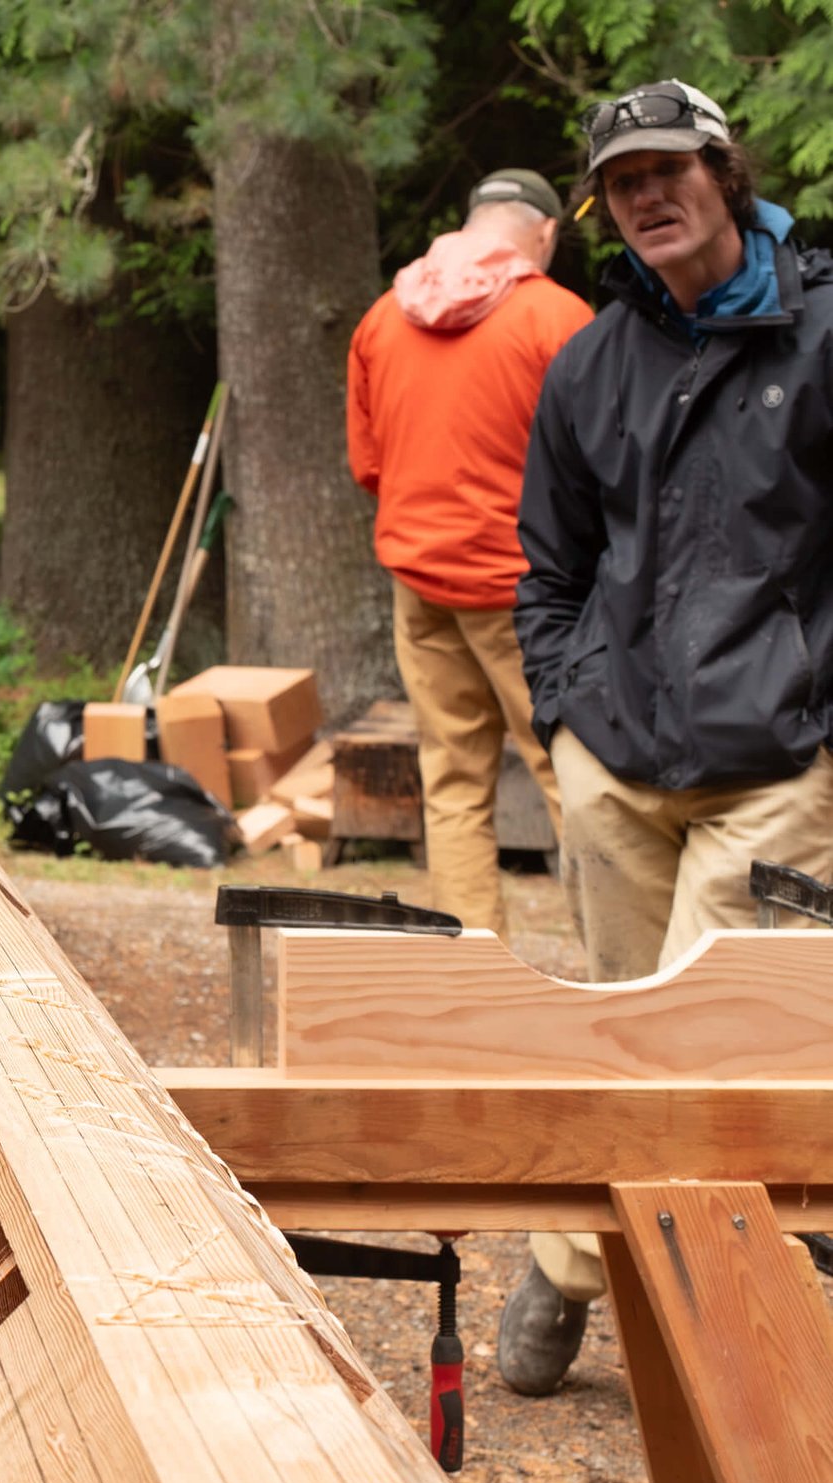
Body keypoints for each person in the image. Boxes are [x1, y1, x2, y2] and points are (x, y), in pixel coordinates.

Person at [507, 80, 833, 1393]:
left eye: (665, 169)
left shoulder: (821, 337)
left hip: (776, 765)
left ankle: (683, 1311)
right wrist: (564, 720)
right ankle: (584, 1261)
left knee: (724, 1043)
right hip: (617, 765)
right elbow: (550, 563)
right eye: (619, 184)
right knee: (621, 1035)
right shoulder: (591, 359)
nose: (645, 197)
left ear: (720, 168)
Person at [347, 169, 589, 936]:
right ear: (545, 233)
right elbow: (601, 469)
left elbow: (369, 467)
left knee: (451, 777)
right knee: (575, 775)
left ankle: (467, 971)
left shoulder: (383, 319)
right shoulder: (560, 318)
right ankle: (619, 967)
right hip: (531, 592)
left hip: (420, 581)